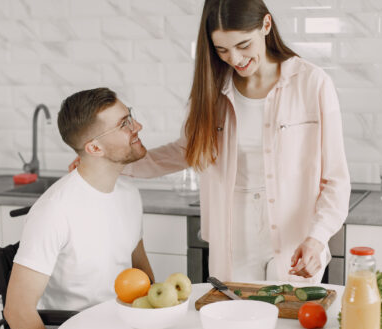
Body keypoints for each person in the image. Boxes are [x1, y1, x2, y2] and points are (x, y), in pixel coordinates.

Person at [72, 0, 351, 284]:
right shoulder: (212, 91)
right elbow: (184, 152)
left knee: (290, 323)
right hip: (232, 237)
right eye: (222, 50)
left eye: (243, 45)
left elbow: (335, 180)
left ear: (266, 25)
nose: (235, 59)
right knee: (236, 322)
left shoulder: (312, 83)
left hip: (297, 236)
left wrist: (317, 238)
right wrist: (111, 163)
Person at [5, 87, 154, 329]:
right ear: (95, 147)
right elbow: (17, 310)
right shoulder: (54, 210)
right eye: (125, 123)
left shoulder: (129, 195)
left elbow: (139, 266)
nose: (137, 127)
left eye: (131, 117)